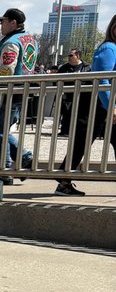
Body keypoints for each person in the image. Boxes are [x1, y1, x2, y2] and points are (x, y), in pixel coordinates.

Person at [53, 14, 116, 197]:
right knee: (81, 141)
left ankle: (63, 181)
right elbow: (101, 79)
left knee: (82, 141)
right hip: (97, 105)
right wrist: (110, 105)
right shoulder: (109, 48)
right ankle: (63, 181)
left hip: (102, 105)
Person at [0, 7, 36, 182]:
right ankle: (24, 159)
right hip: (22, 89)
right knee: (0, 129)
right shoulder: (30, 40)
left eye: (3, 22)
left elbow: (6, 70)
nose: (1, 25)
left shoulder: (11, 42)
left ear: (13, 23)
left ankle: (5, 170)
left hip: (8, 91)